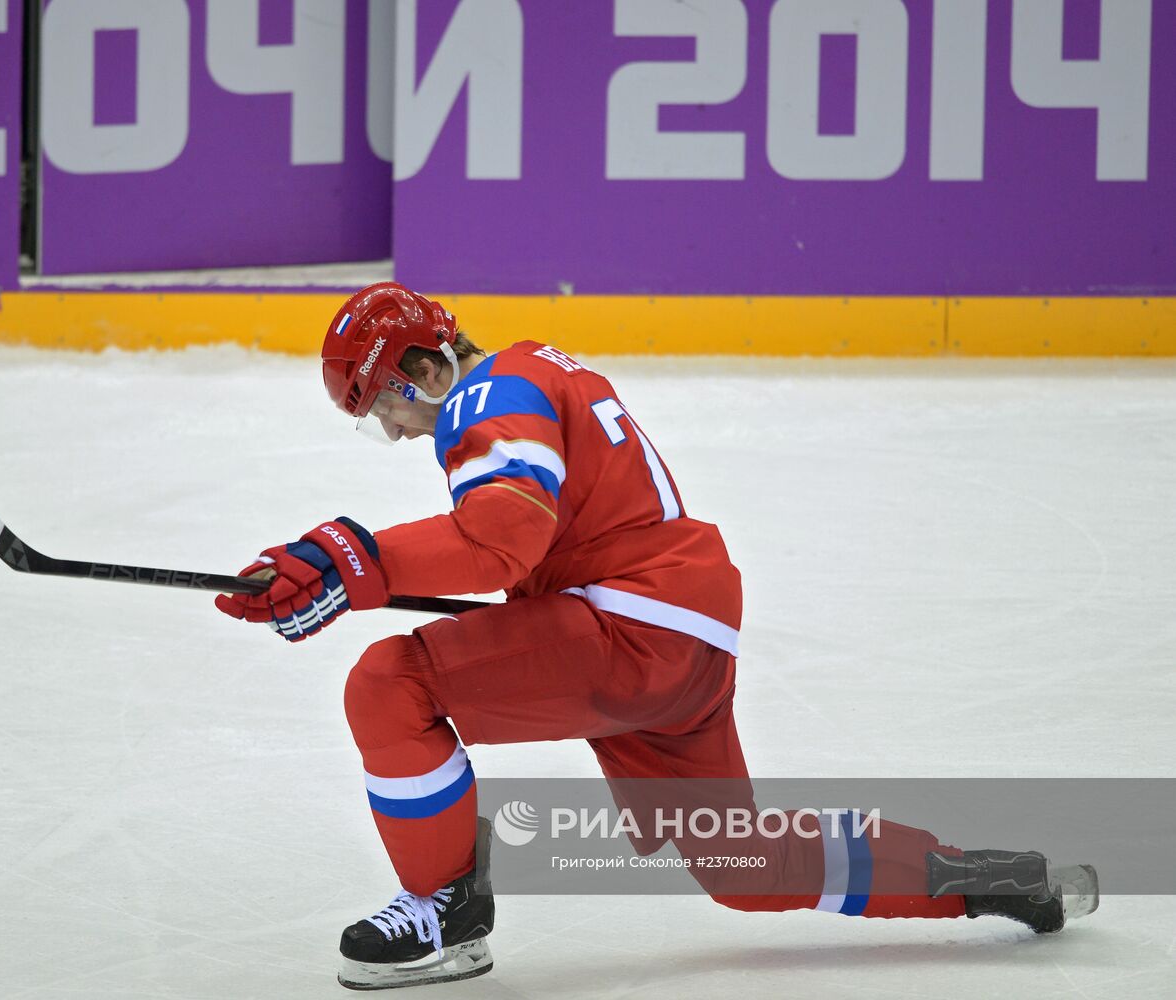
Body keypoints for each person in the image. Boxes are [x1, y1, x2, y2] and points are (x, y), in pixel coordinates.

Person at [215, 283, 1097, 991]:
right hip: (681, 634)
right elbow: (546, 539)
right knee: (739, 862)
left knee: (389, 684)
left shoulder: (488, 391)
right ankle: (981, 875)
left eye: (385, 408)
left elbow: (498, 536)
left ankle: (443, 908)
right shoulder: (538, 373)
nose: (397, 432)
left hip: (631, 628)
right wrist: (405, 579)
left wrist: (349, 558)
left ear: (422, 365)